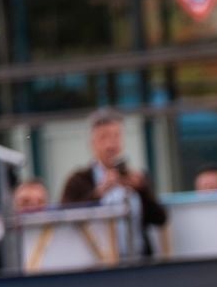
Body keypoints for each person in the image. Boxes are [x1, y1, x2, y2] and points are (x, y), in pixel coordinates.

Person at [60, 109, 168, 258]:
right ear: (92, 143)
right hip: (97, 264)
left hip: (139, 259)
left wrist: (142, 191)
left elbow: (160, 219)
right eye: (103, 138)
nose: (111, 145)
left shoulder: (136, 177)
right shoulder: (78, 180)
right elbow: (65, 218)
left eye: (116, 137)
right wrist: (99, 193)